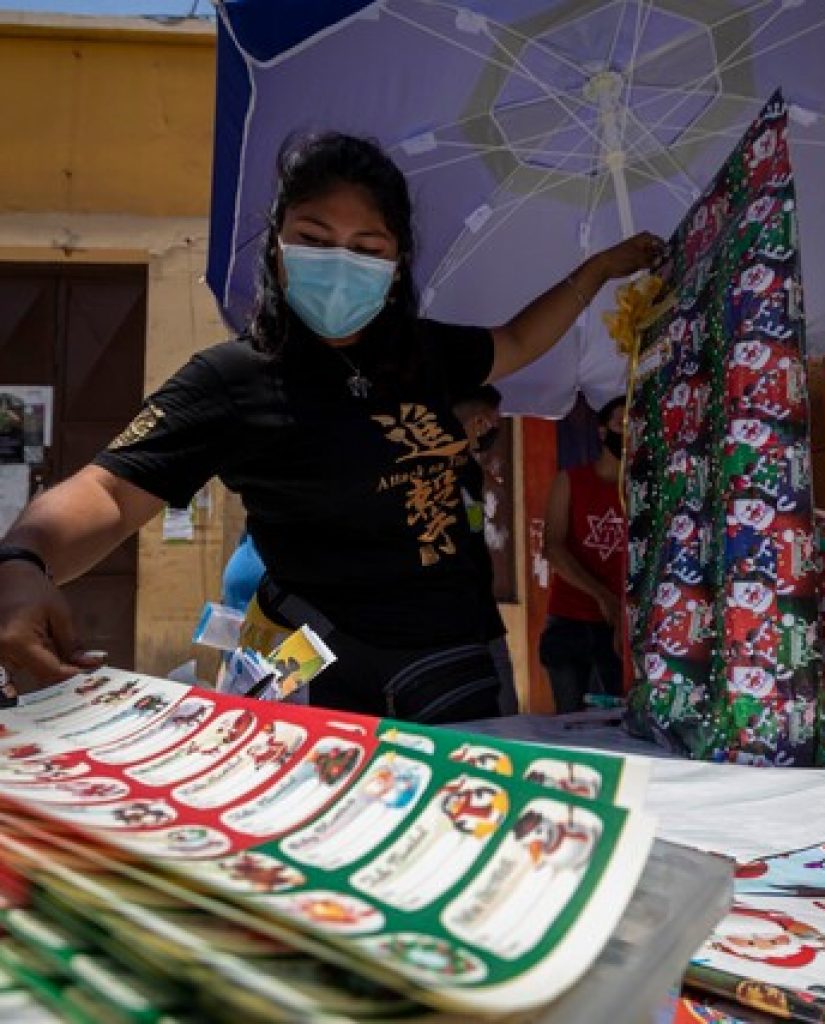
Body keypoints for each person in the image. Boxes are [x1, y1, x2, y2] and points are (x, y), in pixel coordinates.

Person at [0, 132, 662, 724]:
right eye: (314, 240)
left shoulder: (427, 353)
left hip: (455, 658)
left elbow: (518, 339)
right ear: (278, 245)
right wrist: (23, 563)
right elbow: (112, 492)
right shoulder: (233, 379)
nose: (340, 263)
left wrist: (599, 270)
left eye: (366, 248)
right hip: (310, 662)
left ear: (397, 262)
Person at [539, 396, 627, 713]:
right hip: (570, 618)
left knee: (619, 717)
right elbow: (553, 547)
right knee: (568, 718)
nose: (627, 432)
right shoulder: (571, 480)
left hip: (621, 627)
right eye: (621, 424)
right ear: (602, 431)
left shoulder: (642, 489)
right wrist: (603, 596)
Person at [452, 385, 517, 715]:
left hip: (483, 617)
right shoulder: (429, 474)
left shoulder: (470, 471)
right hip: (450, 624)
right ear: (478, 423)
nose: (494, 429)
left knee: (504, 715)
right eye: (493, 422)